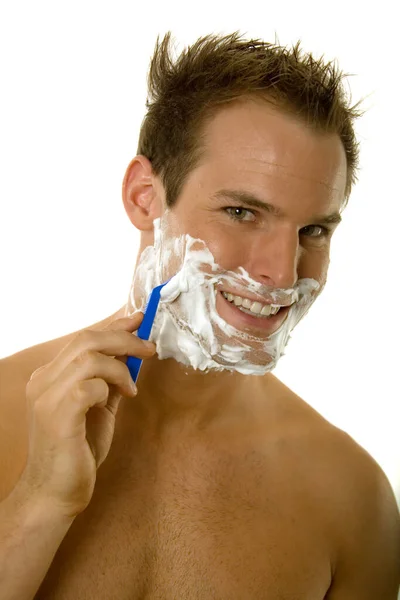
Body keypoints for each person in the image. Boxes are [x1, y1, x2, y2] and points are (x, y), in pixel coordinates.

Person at [0, 31, 399, 600]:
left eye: (314, 230)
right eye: (241, 211)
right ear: (144, 197)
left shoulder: (352, 497)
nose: (282, 274)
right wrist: (40, 498)